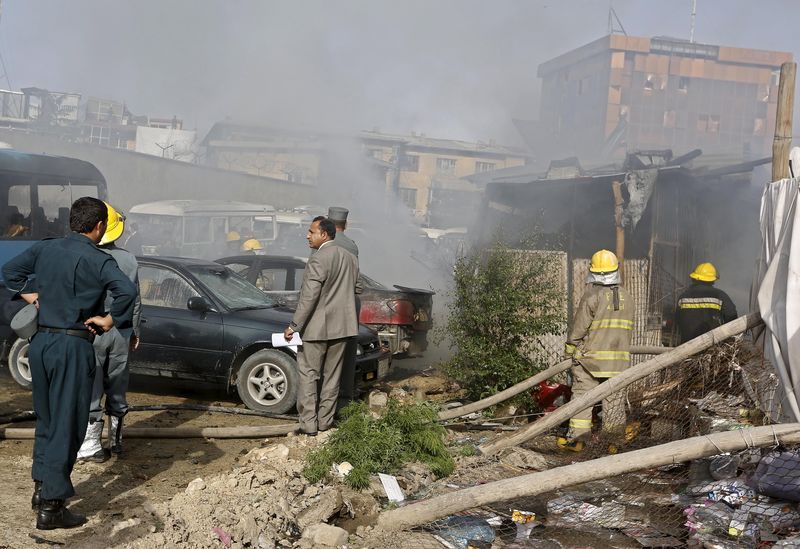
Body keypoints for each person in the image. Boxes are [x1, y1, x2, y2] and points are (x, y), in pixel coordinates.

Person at [3, 197, 137, 530]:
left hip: (40, 345)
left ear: (72, 221)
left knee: (47, 420)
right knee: (68, 423)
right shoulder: (100, 260)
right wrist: (109, 321)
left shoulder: (45, 249)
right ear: (100, 226)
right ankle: (51, 507)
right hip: (71, 347)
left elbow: (9, 272)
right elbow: (126, 293)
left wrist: (32, 296)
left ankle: (40, 487)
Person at [77, 203, 142, 463]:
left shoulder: (83, 256)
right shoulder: (128, 259)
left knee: (91, 386)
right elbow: (134, 299)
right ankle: (116, 442)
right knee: (117, 386)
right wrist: (135, 330)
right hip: (120, 329)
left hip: (91, 329)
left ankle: (91, 444)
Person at [283, 216, 358, 435]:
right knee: (332, 378)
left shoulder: (317, 259)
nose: (308, 235)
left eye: (311, 232)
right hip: (343, 328)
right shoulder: (350, 257)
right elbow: (358, 288)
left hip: (316, 330)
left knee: (308, 376)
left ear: (324, 234)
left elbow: (309, 297)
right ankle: (325, 423)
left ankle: (308, 425)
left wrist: (294, 326)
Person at [560, 249, 634, 452]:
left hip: (590, 361)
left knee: (583, 399)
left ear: (593, 272)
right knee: (615, 404)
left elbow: (579, 327)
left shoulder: (592, 295)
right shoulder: (628, 297)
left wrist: (570, 350)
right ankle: (613, 445)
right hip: (619, 363)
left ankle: (578, 440)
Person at [327, 206, 362, 411]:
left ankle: (324, 404)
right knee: (347, 352)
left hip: (327, 303)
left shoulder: (323, 244)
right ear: (345, 224)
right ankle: (344, 400)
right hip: (348, 303)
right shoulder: (352, 246)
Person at [675, 262, 737, 343]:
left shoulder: (682, 297)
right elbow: (732, 316)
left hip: (686, 345)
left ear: (694, 278)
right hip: (712, 348)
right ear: (712, 280)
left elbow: (678, 320)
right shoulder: (719, 295)